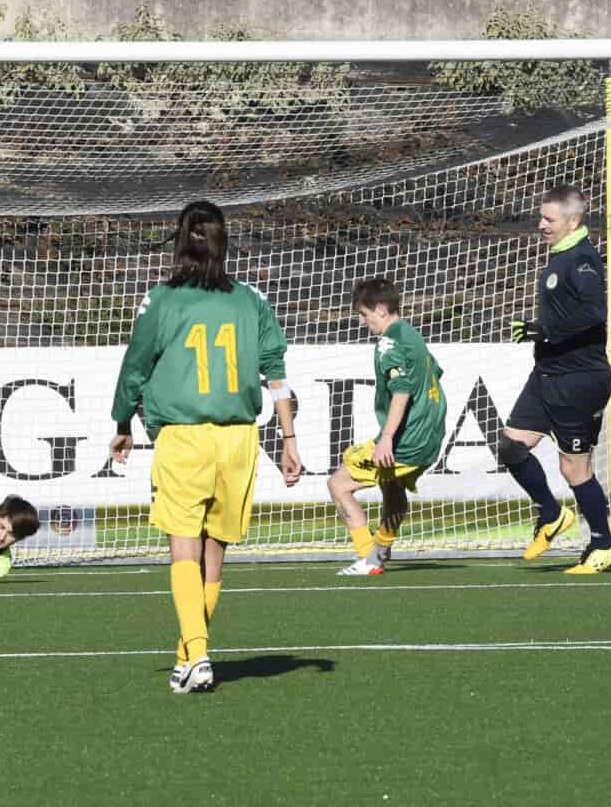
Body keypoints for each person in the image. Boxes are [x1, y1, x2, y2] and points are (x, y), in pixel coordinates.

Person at [109, 200, 301, 695]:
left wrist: (122, 420)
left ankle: (197, 653)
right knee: (214, 553)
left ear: (179, 240)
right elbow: (276, 372)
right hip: (239, 439)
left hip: (184, 438)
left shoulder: (162, 299)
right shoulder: (250, 299)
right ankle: (187, 657)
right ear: (224, 242)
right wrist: (289, 439)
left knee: (181, 547)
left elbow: (136, 365)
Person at [503, 184, 611, 574]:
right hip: (548, 373)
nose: (541, 225)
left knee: (575, 469)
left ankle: (603, 543)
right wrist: (545, 335)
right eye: (541, 217)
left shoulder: (583, 259)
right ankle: (552, 514)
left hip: (579, 378)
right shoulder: (559, 256)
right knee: (511, 447)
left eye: (549, 219)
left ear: (574, 221)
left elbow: (594, 313)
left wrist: (546, 331)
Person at [327, 277, 446, 576]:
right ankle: (379, 551)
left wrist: (388, 437)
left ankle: (368, 558)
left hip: (408, 440)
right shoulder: (411, 333)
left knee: (338, 484)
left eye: (365, 315)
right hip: (431, 435)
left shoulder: (389, 342)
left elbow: (402, 389)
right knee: (391, 487)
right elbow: (435, 373)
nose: (364, 322)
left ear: (381, 308)